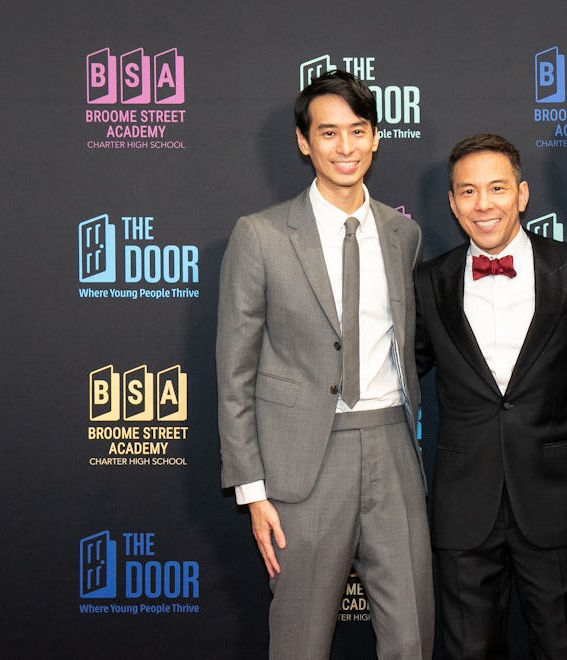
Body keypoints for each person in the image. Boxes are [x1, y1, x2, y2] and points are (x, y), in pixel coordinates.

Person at [216, 69, 433, 660]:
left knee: (412, 637)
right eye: (328, 132)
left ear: (376, 138)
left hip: (392, 447)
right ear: (303, 141)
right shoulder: (260, 235)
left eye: (358, 130)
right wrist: (253, 490)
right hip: (302, 463)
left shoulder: (403, 234)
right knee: (300, 643)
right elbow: (234, 372)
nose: (345, 147)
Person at [415, 134, 567, 659]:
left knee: (564, 648)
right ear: (452, 203)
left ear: (522, 194)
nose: (483, 204)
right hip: (463, 504)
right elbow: (396, 371)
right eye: (468, 191)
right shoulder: (428, 282)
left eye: (496, 188)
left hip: (553, 498)